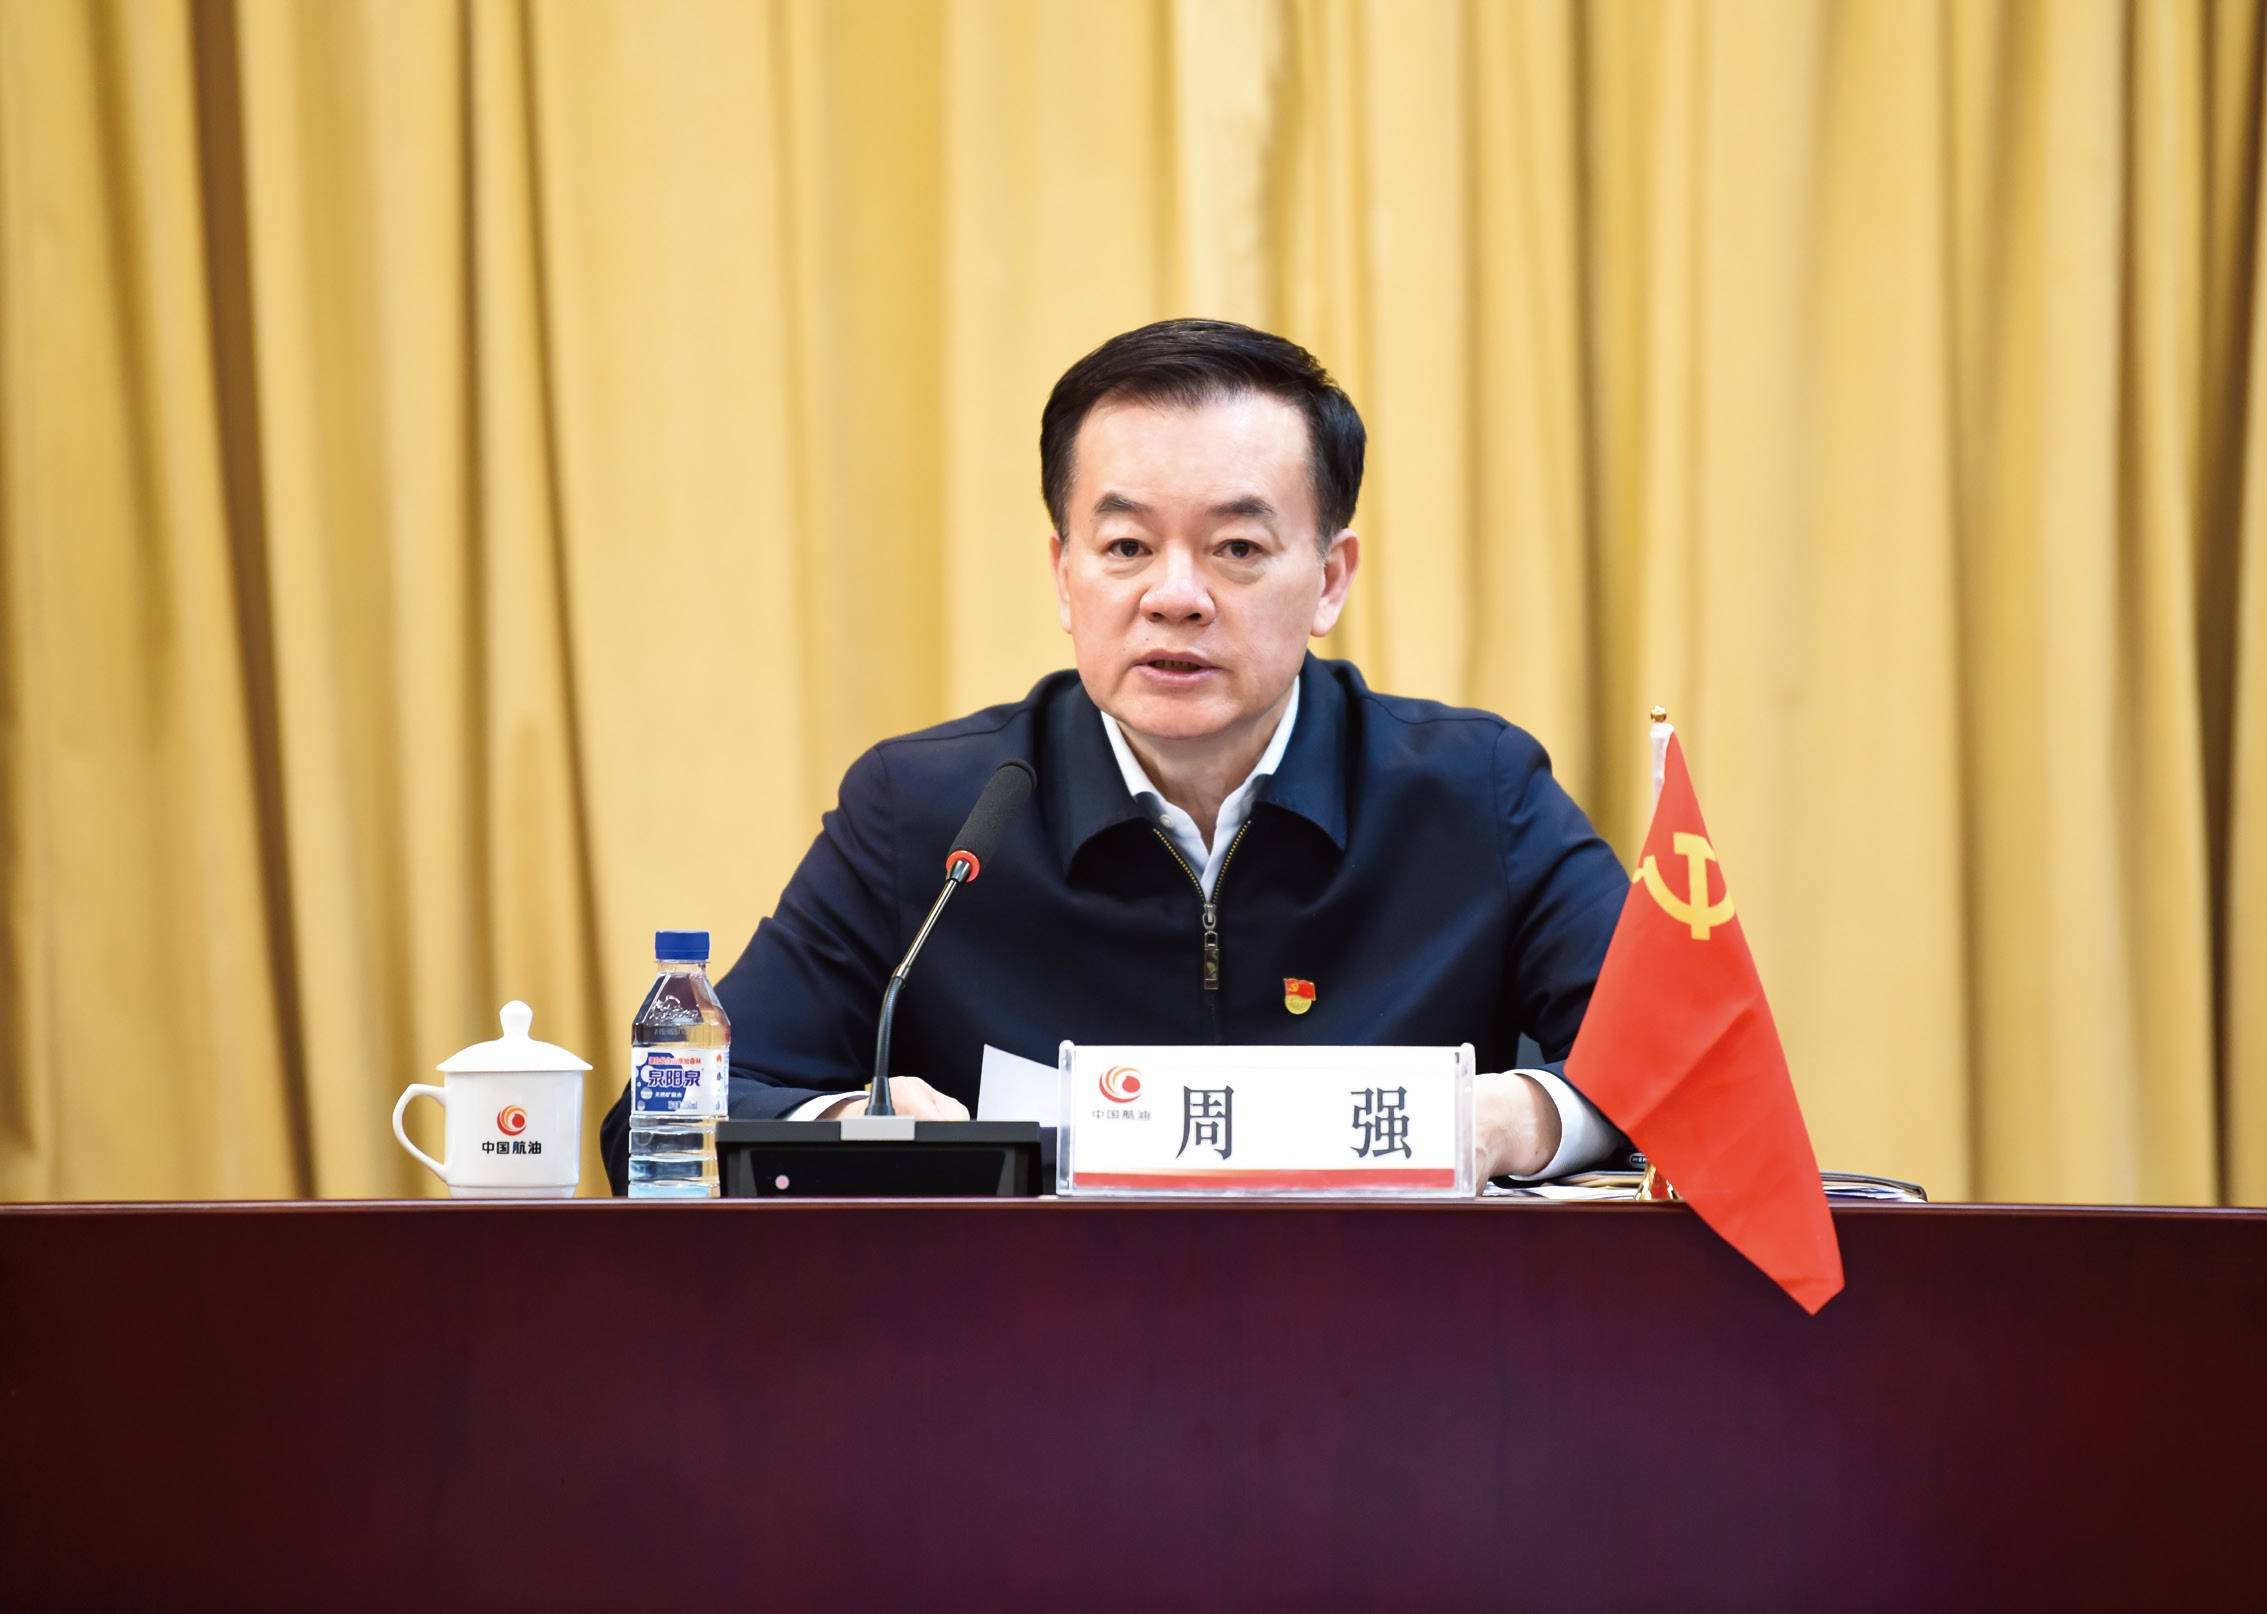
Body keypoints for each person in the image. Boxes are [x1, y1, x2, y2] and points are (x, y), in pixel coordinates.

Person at [600, 318, 1631, 1192]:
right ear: (1064, 575)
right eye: (1127, 547)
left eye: (1237, 549)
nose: (1174, 597)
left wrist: (1524, 1118)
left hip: (1388, 1343)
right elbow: (658, 1121)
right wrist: (851, 1126)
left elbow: (1682, 1066)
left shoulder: (1474, 793)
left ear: (1329, 579)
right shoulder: (927, 814)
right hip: (1033, 1347)